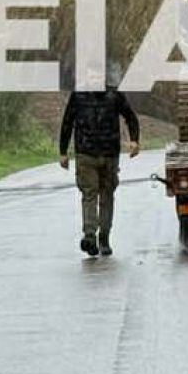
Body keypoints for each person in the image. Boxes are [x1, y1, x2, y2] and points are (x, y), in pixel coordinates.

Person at [58, 70, 140, 257]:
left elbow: (130, 116)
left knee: (107, 195)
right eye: (91, 76)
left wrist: (134, 140)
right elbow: (67, 122)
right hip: (85, 154)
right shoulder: (78, 96)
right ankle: (89, 235)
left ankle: (104, 236)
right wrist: (63, 152)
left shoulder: (114, 95)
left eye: (97, 76)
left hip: (110, 154)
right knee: (89, 193)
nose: (94, 80)